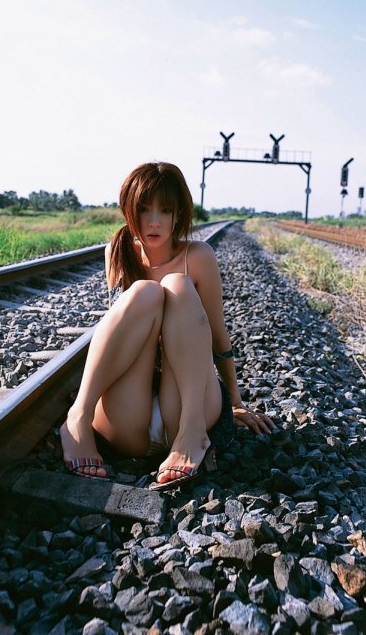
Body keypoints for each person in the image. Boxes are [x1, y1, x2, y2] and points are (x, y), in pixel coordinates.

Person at [60, 162, 274, 491]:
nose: (154, 221)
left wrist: (235, 401)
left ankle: (192, 435)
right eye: (144, 210)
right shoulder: (117, 253)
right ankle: (78, 417)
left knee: (176, 284)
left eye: (165, 210)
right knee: (146, 292)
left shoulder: (198, 256)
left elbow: (218, 337)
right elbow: (117, 337)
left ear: (179, 214)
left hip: (188, 406)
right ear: (129, 210)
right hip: (129, 415)